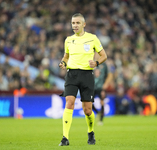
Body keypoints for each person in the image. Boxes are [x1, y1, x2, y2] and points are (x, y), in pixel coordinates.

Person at [58, 13, 107, 146]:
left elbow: (104, 55)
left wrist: (96, 63)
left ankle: (91, 132)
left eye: (77, 23)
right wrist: (63, 62)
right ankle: (65, 138)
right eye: (73, 23)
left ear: (84, 24)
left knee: (87, 110)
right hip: (72, 75)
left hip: (87, 75)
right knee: (69, 102)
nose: (75, 25)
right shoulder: (68, 40)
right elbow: (66, 56)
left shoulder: (92, 38)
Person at [92, 53, 113, 125]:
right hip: (92, 87)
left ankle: (101, 120)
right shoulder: (91, 64)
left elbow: (110, 74)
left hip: (101, 87)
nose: (96, 55)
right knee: (89, 102)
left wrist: (106, 84)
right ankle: (98, 112)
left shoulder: (104, 65)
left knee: (102, 102)